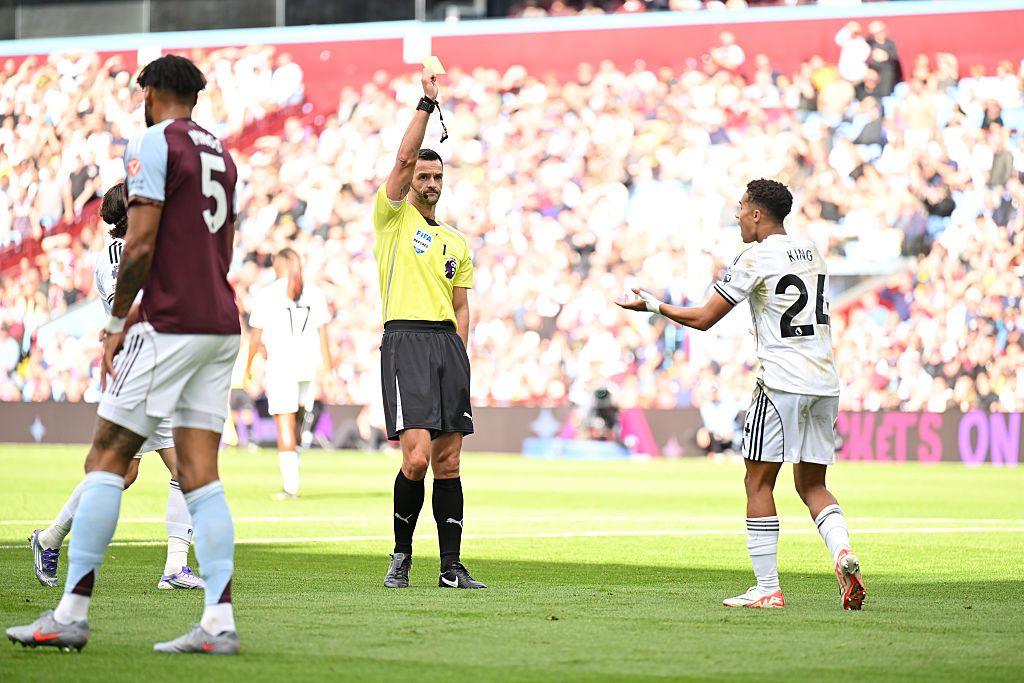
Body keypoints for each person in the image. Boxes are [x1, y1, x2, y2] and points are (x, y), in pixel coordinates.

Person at [6, 54, 243, 654]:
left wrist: (116, 322)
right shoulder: (222, 154)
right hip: (220, 322)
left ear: (154, 92)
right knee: (200, 475)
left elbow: (138, 244)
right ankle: (218, 623)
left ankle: (70, 613)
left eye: (142, 94)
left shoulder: (153, 142)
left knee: (107, 459)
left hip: (169, 323)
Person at [616, 179, 866, 611]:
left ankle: (767, 587)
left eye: (740, 207)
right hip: (824, 383)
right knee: (813, 484)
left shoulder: (754, 257)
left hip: (782, 382)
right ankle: (842, 551)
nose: (736, 215)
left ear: (756, 213)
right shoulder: (813, 252)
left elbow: (703, 318)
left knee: (757, 481)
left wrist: (654, 306)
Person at [28, 182, 203, 592]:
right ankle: (52, 538)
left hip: (141, 368)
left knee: (132, 473)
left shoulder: (113, 254)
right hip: (143, 372)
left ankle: (172, 567)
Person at [372, 68, 484, 590]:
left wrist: (461, 352)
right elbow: (401, 159)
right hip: (406, 341)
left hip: (446, 346)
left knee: (449, 462)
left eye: (437, 177)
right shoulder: (393, 218)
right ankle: (401, 556)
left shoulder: (456, 241)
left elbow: (462, 306)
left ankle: (451, 568)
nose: (431, 184)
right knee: (415, 459)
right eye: (423, 176)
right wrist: (425, 104)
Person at [244, 248, 332, 499]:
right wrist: (328, 369)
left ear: (278, 265)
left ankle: (290, 487)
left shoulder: (267, 294)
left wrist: (248, 367)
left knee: (285, 422)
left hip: (281, 365)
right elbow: (324, 335)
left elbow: (255, 338)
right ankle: (293, 479)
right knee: (297, 422)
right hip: (308, 365)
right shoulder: (315, 293)